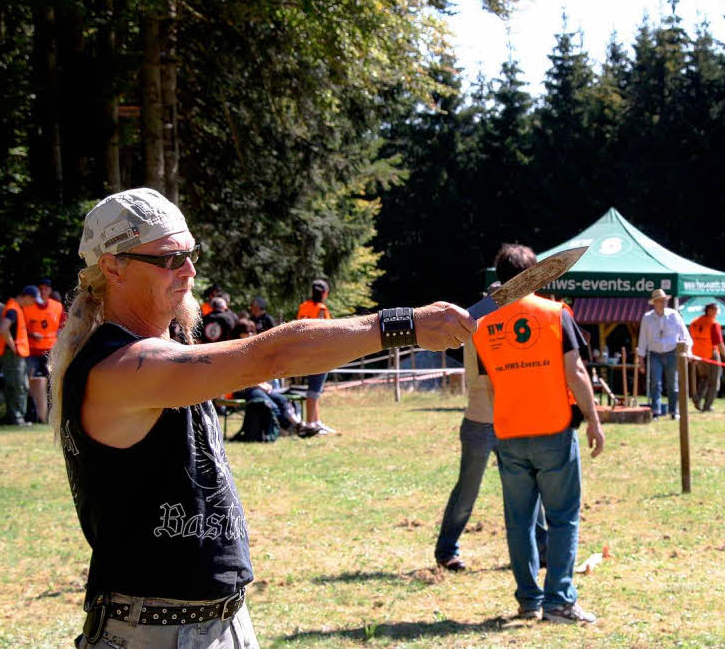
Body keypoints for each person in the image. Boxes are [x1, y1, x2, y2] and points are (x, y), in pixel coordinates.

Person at [49, 188, 474, 648]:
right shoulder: (120, 367)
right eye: (170, 259)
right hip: (156, 632)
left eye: (190, 254)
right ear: (113, 267)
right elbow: (271, 356)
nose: (189, 270)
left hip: (207, 622)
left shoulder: (153, 355)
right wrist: (401, 324)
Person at [474, 243, 605, 624]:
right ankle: (560, 601)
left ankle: (529, 601)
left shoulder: (484, 325)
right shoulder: (555, 313)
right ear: (539, 274)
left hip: (509, 432)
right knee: (563, 518)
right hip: (552, 430)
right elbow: (576, 372)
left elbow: (489, 383)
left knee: (520, 522)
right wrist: (594, 420)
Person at [434, 281, 548, 572]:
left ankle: (543, 550)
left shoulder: (518, 329)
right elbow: (474, 370)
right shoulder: (476, 330)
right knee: (468, 490)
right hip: (481, 422)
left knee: (527, 488)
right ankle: (447, 551)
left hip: (514, 421)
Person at [636, 289, 693, 419]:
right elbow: (642, 339)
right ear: (654, 303)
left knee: (673, 383)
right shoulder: (647, 318)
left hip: (672, 353)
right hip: (654, 354)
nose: (663, 303)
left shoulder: (674, 315)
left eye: (664, 300)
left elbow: (685, 334)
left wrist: (688, 350)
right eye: (660, 301)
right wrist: (641, 360)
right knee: (655, 383)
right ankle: (655, 411)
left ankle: (674, 411)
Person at [296, 279, 335, 434]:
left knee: (315, 389)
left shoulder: (303, 306)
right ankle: (310, 424)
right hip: (319, 353)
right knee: (314, 390)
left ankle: (316, 421)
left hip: (304, 351)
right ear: (324, 293)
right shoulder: (321, 309)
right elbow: (326, 331)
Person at [23, 278, 64, 423]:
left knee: (53, 383)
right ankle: (32, 415)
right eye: (41, 288)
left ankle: (51, 415)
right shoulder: (28, 306)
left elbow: (63, 326)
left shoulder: (57, 306)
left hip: (50, 351)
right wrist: (30, 334)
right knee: (28, 383)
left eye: (46, 288)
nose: (43, 291)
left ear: (50, 290)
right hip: (32, 351)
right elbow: (21, 327)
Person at [0, 286, 39, 425]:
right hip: (13, 355)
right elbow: (4, 328)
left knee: (13, 385)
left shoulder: (15, 307)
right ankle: (18, 418)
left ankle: (12, 417)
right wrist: (13, 347)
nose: (33, 303)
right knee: (19, 385)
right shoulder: (13, 310)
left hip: (12, 355)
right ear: (26, 296)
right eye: (33, 300)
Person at [689, 303, 725, 413]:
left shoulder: (694, 322)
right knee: (714, 381)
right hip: (711, 354)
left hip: (698, 355)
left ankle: (697, 399)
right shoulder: (713, 324)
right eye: (716, 310)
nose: (717, 313)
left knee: (704, 378)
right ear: (710, 310)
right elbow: (719, 342)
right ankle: (707, 406)